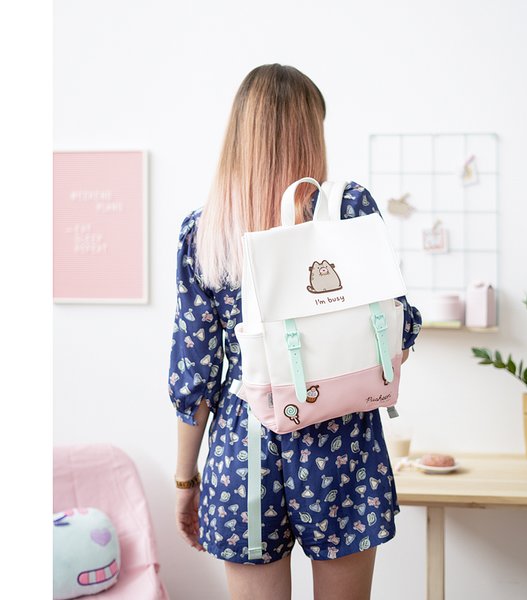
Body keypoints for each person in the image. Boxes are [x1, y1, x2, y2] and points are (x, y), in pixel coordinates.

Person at [167, 63, 422, 600]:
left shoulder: (203, 231)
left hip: (244, 446)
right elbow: (398, 329)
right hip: (342, 439)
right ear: (312, 132)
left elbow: (195, 374)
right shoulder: (349, 212)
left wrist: (186, 480)